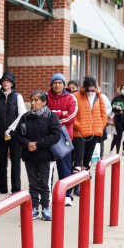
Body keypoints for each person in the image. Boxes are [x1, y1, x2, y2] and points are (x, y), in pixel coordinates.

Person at [12, 91, 62, 221]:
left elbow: (55, 135)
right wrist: (27, 144)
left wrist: (38, 144)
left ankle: (45, 208)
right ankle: (34, 208)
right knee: (33, 183)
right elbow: (17, 135)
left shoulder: (51, 117)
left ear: (44, 102)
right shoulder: (25, 117)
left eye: (36, 100)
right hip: (30, 156)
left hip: (45, 156)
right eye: (31, 100)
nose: (33, 103)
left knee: (45, 184)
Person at [0, 71, 26, 195]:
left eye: (8, 81)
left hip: (15, 135)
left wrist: (10, 129)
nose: (6, 83)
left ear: (12, 83)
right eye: (4, 81)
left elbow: (22, 114)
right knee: (2, 161)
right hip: (0, 134)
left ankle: (16, 188)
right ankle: (1, 187)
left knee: (16, 161)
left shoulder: (17, 97)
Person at [46, 72, 77, 206]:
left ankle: (67, 195)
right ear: (51, 84)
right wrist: (60, 113)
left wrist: (54, 116)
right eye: (55, 83)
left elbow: (72, 117)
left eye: (60, 82)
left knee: (64, 168)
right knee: (47, 169)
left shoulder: (71, 98)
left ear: (64, 84)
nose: (57, 85)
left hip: (64, 139)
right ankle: (47, 195)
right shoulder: (45, 97)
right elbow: (44, 114)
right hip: (47, 137)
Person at [72, 76, 107, 174]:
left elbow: (103, 114)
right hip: (79, 133)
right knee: (78, 160)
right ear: (84, 88)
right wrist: (79, 126)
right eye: (89, 90)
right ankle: (77, 187)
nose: (91, 92)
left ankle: (84, 183)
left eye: (93, 90)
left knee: (87, 161)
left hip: (94, 132)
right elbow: (71, 114)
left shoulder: (98, 97)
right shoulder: (75, 96)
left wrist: (100, 126)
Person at [97, 86, 113, 157]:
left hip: (100, 122)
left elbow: (109, 108)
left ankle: (100, 157)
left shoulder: (102, 97)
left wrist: (101, 114)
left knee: (100, 141)